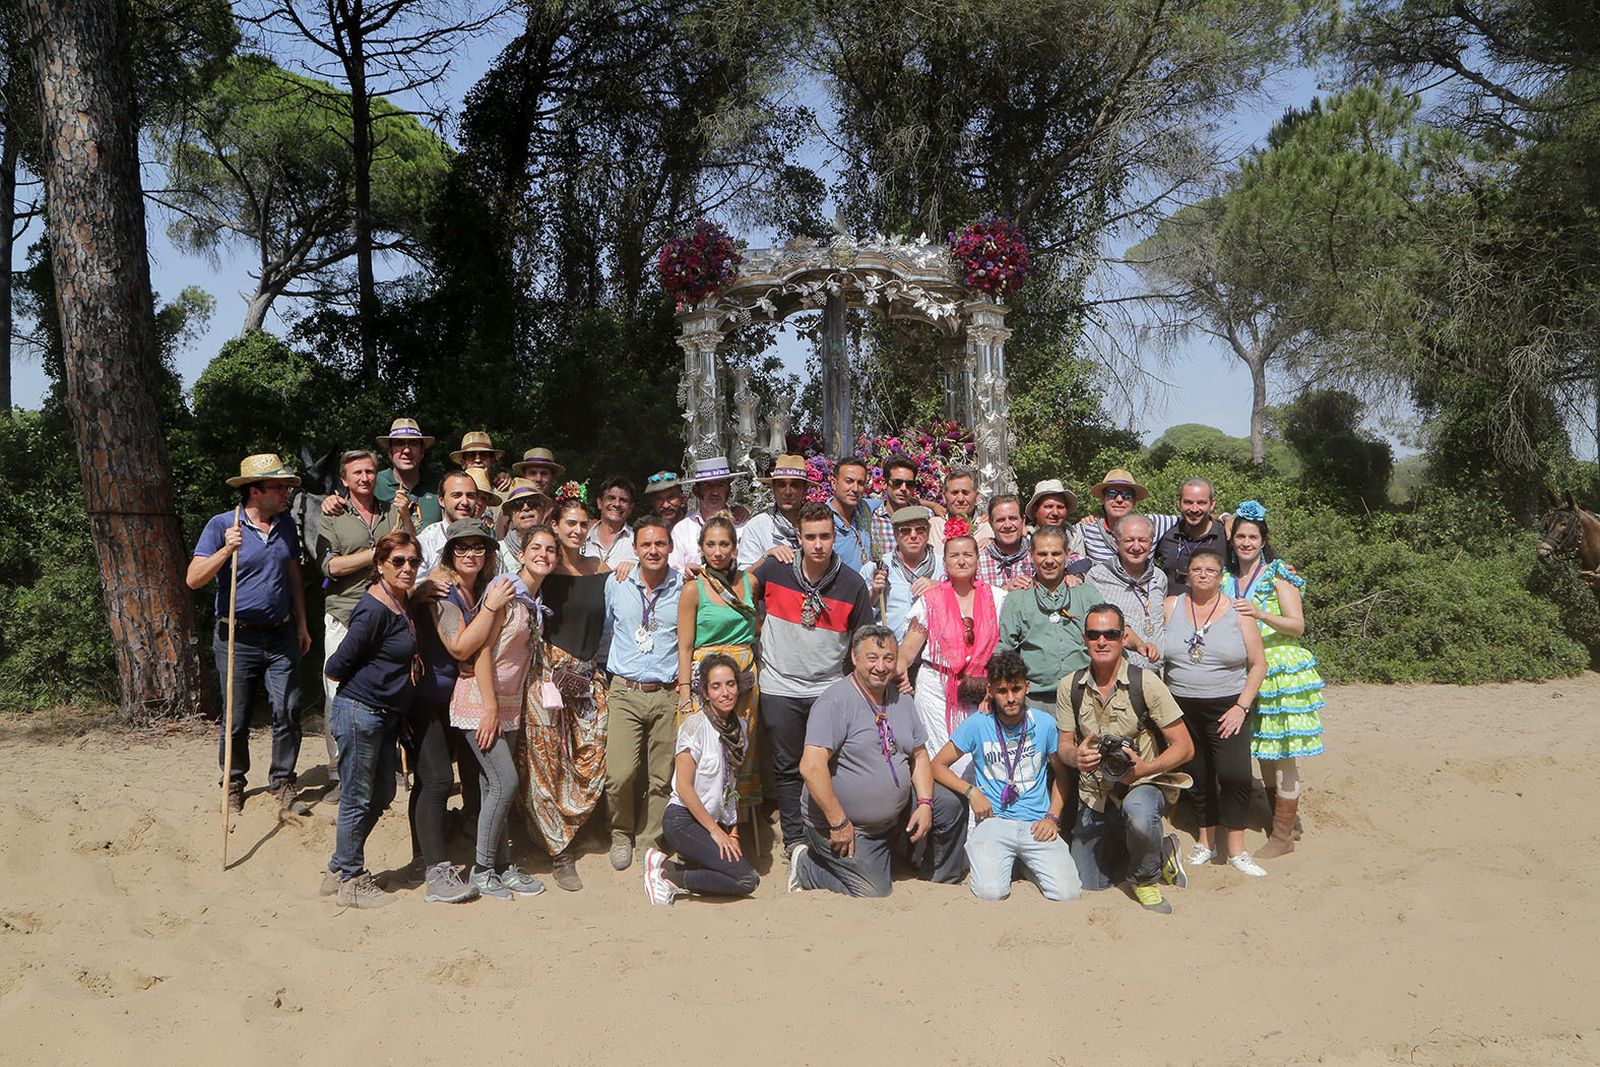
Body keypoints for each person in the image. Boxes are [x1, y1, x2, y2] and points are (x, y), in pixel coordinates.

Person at [789, 624, 965, 897]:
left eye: (888, 658)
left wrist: (925, 803)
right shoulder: (835, 702)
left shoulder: (901, 699)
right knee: (873, 892)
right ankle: (805, 865)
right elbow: (811, 767)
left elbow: (919, 755)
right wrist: (838, 821)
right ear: (855, 657)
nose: (881, 667)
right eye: (872, 658)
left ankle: (937, 881)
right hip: (845, 824)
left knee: (950, 805)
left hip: (894, 816)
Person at [186, 453, 314, 814]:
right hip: (236, 637)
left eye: (286, 487)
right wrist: (227, 549)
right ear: (255, 491)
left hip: (281, 634)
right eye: (279, 487)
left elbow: (293, 575)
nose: (286, 493)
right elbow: (194, 579)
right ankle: (233, 781)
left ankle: (283, 780)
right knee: (236, 717)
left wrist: (302, 622)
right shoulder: (222, 525)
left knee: (288, 709)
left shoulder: (285, 525)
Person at [753, 501, 874, 857]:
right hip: (780, 684)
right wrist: (761, 559)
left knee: (830, 764)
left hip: (827, 687)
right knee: (787, 766)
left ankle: (827, 830)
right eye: (810, 537)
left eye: (824, 536)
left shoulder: (852, 584)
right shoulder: (775, 570)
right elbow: (733, 590)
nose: (818, 545)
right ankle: (795, 840)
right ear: (798, 537)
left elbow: (863, 641)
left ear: (835, 537)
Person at [1058, 604, 1195, 914]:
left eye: (1110, 634)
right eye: (1094, 635)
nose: (1102, 641)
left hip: (1141, 785)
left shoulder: (1145, 683)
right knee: (1088, 883)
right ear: (1084, 639)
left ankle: (1146, 879)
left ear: (1123, 638)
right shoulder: (1070, 686)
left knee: (1139, 814)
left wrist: (1145, 768)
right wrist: (1075, 757)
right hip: (1095, 794)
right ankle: (1157, 850)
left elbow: (1185, 747)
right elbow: (1063, 745)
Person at [443, 522, 551, 901]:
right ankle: (483, 868)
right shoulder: (504, 591)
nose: (543, 555)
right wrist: (489, 708)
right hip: (480, 702)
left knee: (494, 787)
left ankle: (503, 866)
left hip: (509, 704)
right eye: (536, 548)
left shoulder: (533, 600)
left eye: (550, 550)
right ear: (520, 553)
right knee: (505, 782)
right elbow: (482, 652)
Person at [321, 530, 423, 909]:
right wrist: (375, 681)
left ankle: (337, 867)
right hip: (361, 713)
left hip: (383, 716)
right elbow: (335, 665)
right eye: (398, 561)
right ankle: (351, 879)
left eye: (413, 561)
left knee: (381, 794)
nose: (407, 568)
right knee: (357, 798)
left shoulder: (400, 601)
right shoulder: (373, 609)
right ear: (380, 565)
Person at [517, 496, 612, 891]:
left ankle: (576, 825)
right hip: (546, 680)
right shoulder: (541, 571)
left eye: (583, 524)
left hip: (587, 679)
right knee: (545, 763)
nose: (577, 530)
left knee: (592, 756)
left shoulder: (601, 568)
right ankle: (558, 849)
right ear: (554, 525)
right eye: (569, 523)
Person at [932, 650, 1078, 902]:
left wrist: (1053, 817)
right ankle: (1015, 863)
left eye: (1016, 689)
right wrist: (971, 792)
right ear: (990, 691)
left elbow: (1063, 777)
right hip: (994, 822)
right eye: (1002, 691)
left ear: (1027, 687)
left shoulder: (1044, 723)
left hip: (1037, 823)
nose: (1010, 698)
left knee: (1068, 894)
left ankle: (1026, 866)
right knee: (990, 893)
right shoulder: (978, 724)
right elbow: (937, 765)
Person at [1160, 548, 1269, 876]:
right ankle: (1206, 842)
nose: (1203, 574)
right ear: (1187, 574)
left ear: (1222, 577)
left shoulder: (1239, 612)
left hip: (1228, 706)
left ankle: (1236, 848)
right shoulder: (1171, 606)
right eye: (1196, 569)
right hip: (1181, 706)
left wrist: (1241, 707)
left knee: (1235, 775)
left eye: (1210, 570)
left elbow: (1258, 664)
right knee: (1198, 774)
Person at [1229, 501, 1324, 858]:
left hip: (1281, 668)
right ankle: (1284, 823)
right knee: (1264, 751)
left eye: (1253, 537)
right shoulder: (1227, 578)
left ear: (1263, 540)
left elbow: (1297, 625)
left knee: (1283, 753)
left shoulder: (1279, 574)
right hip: (1248, 668)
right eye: (1240, 536)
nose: (1246, 542)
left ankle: (1282, 835)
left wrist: (1259, 613)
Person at [403, 520, 488, 906]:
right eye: (461, 547)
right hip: (429, 696)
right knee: (436, 779)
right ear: (449, 552)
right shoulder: (440, 588)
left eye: (478, 547)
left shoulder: (478, 589)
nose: (470, 554)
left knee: (454, 778)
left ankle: (430, 854)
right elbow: (458, 647)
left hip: (459, 698)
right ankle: (433, 868)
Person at [319, 449, 413, 798]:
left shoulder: (392, 511)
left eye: (370, 471)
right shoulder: (333, 514)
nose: (364, 478)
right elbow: (331, 567)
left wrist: (405, 515)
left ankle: (385, 767)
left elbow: (411, 548)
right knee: (337, 694)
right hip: (345, 614)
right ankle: (340, 773)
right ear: (344, 480)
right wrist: (376, 555)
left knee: (387, 689)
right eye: (357, 473)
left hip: (389, 614)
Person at [643, 653, 760, 904]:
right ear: (705, 693)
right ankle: (668, 878)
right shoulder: (694, 727)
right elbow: (684, 787)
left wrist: (733, 832)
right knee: (746, 880)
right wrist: (716, 832)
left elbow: (731, 787)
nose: (725, 693)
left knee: (735, 873)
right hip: (683, 820)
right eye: (716, 686)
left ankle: (667, 867)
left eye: (730, 684)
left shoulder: (740, 728)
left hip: (712, 822)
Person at [603, 516, 684, 871]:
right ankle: (621, 832)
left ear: (670, 547)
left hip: (667, 692)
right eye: (646, 544)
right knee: (619, 774)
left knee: (661, 777)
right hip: (625, 691)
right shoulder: (617, 582)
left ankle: (649, 840)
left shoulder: (684, 587)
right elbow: (607, 627)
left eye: (660, 544)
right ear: (634, 549)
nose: (653, 550)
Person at [896, 531, 1007, 772]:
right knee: (942, 757)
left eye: (968, 554)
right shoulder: (930, 601)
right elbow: (908, 651)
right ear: (945, 562)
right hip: (936, 689)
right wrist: (901, 673)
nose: (961, 561)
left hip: (982, 689)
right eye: (954, 556)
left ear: (977, 559)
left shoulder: (997, 598)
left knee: (983, 756)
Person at [675, 514, 763, 809]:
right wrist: (685, 696)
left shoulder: (750, 582)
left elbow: (756, 626)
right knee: (707, 750)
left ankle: (737, 816)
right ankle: (705, 816)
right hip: (707, 681)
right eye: (710, 545)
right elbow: (685, 647)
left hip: (744, 679)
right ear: (701, 548)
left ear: (734, 548)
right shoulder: (694, 588)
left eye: (724, 544)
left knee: (742, 745)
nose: (717, 552)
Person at [997, 526, 1101, 709]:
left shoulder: (1086, 593)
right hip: (1036, 700)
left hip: (1085, 695)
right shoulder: (1017, 598)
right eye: (1042, 554)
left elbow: (1109, 637)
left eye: (1056, 554)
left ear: (1067, 554)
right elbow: (1005, 648)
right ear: (1031, 554)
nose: (1050, 561)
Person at [1087, 514, 1167, 668]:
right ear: (1116, 542)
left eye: (1142, 540)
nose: (1136, 547)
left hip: (1156, 675)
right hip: (1118, 674)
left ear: (1151, 543)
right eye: (1129, 540)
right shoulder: (1097, 577)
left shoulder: (1159, 577)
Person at [864, 505, 943, 640]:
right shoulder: (875, 568)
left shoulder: (944, 567)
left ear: (928, 531)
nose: (913, 535)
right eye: (905, 531)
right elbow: (860, 615)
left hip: (932, 649)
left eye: (920, 530)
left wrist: (941, 587)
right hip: (889, 648)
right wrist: (874, 594)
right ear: (895, 534)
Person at [1076, 469, 1177, 568]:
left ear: (1135, 501)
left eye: (1126, 495)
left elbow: (1185, 516)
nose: (1119, 499)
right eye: (1112, 494)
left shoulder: (1152, 523)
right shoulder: (1087, 529)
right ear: (1102, 499)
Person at [1154, 478, 1230, 596]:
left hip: (1215, 606)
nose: (1194, 509)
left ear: (1212, 504)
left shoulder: (1226, 536)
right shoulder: (1166, 534)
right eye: (1188, 502)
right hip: (1171, 606)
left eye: (1201, 503)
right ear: (1179, 503)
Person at [670, 456, 748, 570]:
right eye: (708, 485)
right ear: (695, 491)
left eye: (721, 485)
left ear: (729, 490)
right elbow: (674, 571)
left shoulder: (744, 525)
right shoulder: (682, 530)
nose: (715, 492)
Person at [738, 454, 809, 566]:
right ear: (773, 489)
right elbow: (744, 574)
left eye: (794, 485)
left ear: (804, 490)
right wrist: (767, 557)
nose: (787, 492)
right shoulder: (757, 526)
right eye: (782, 485)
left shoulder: (818, 523)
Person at [374, 417, 442, 528]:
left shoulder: (439, 485)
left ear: (422, 452)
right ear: (390, 452)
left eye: (413, 443)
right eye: (399, 443)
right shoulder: (374, 483)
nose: (406, 450)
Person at [419, 471, 484, 575]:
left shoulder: (487, 541)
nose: (465, 502)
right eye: (457, 495)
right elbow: (414, 584)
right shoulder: (426, 543)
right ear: (441, 501)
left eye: (470, 496)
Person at [826, 456, 877, 572]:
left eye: (860, 483)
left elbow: (889, 504)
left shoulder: (865, 508)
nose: (855, 489)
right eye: (849, 481)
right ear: (834, 483)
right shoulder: (822, 519)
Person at [975, 494, 1035, 590]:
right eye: (1001, 520)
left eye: (1013, 518)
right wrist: (1003, 591)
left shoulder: (1037, 556)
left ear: (1023, 520)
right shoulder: (977, 560)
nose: (1007, 525)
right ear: (991, 523)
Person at [584, 476, 640, 568]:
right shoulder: (582, 537)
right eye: (611, 498)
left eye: (623, 500)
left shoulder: (638, 540)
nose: (616, 504)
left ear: (630, 507)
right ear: (599, 503)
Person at [1024, 478, 1086, 560]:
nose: (1055, 513)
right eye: (1049, 507)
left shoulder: (1075, 537)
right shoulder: (1023, 538)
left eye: (1060, 507)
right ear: (1035, 510)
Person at [931, 466, 992, 545]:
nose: (960, 499)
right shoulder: (933, 528)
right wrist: (931, 505)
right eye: (954, 493)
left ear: (977, 496)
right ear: (944, 497)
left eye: (965, 492)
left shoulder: (989, 528)